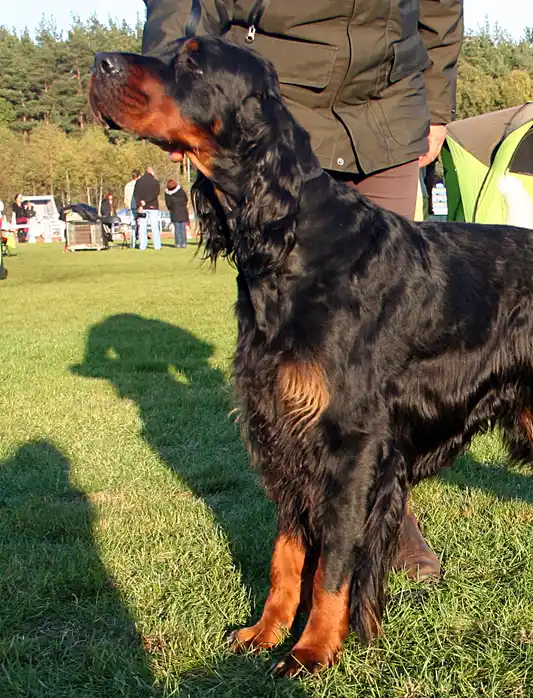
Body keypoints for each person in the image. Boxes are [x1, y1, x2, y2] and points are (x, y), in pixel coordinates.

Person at [142, 0, 464, 580]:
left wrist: (437, 105)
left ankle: (392, 521)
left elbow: (441, 8)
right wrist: (176, 81)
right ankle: (299, 530)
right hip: (283, 113)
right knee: (284, 377)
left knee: (378, 374)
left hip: (389, 113)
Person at [133, 166, 162, 250]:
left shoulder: (139, 182)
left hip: (143, 207)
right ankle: (157, 245)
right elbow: (155, 194)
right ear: (151, 172)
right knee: (154, 226)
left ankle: (143, 245)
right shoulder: (155, 182)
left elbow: (136, 195)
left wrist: (140, 204)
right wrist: (146, 201)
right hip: (153, 206)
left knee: (142, 226)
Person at [165, 179, 189, 248]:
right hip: (183, 211)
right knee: (183, 229)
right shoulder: (181, 190)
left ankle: (178, 243)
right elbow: (186, 199)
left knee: (177, 229)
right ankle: (184, 243)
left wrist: (171, 209)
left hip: (174, 212)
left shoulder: (167, 194)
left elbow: (168, 204)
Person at [124, 169, 141, 248]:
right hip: (139, 206)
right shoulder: (140, 185)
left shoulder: (127, 186)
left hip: (131, 207)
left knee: (133, 226)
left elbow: (126, 198)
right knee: (141, 225)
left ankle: (133, 243)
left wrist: (127, 205)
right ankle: (141, 242)